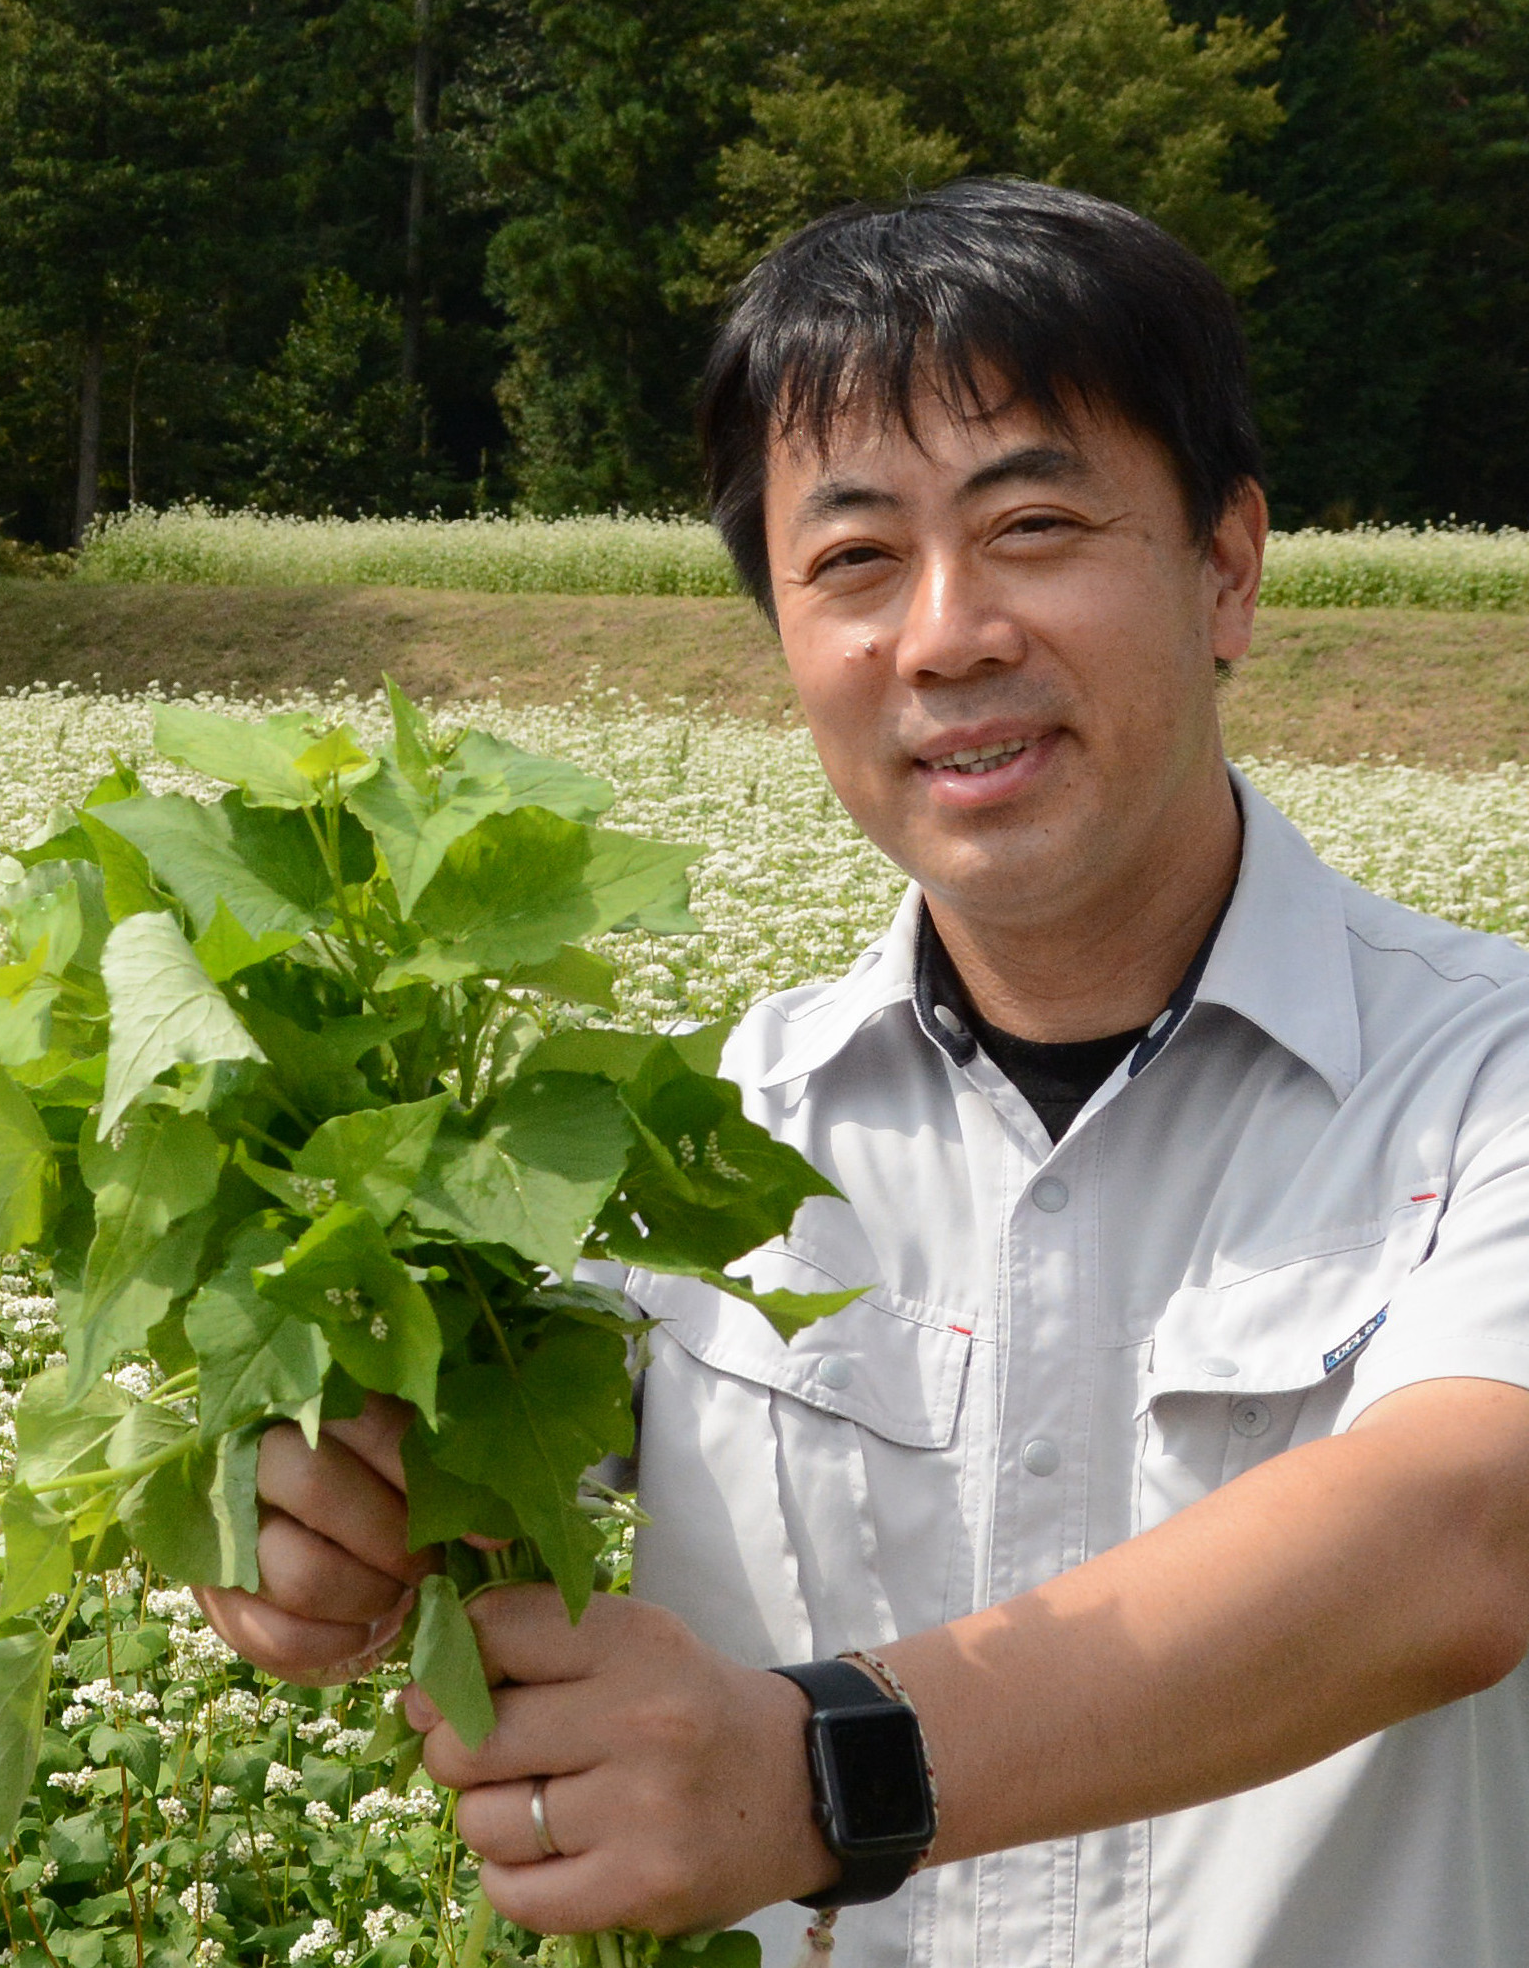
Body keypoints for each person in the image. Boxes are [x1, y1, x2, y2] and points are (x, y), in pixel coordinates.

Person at [195, 180, 1529, 1968]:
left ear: (1227, 567)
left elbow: (1458, 1535)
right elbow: (433, 1469)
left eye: (1034, 521)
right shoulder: (686, 1143)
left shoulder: (1487, 1075)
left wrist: (826, 1767)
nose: (946, 632)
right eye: (852, 560)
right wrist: (305, 1518)